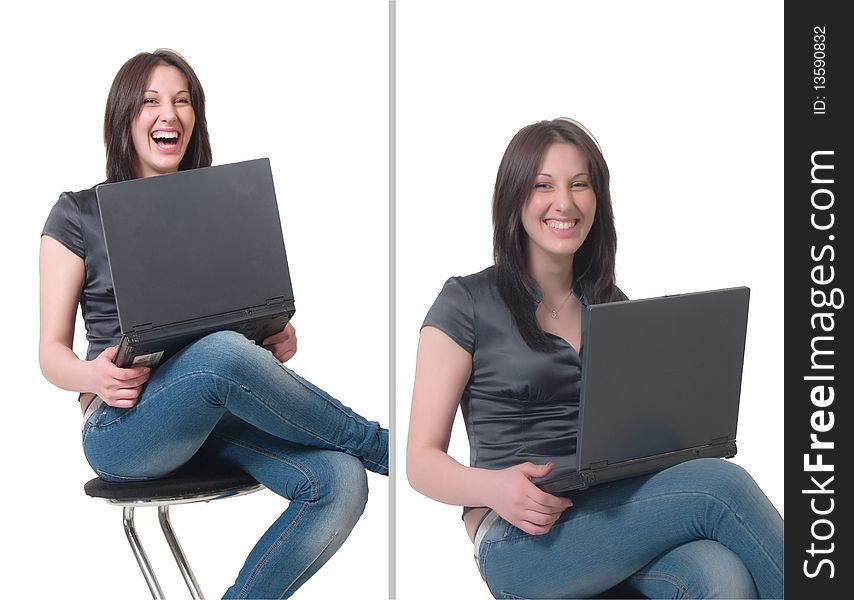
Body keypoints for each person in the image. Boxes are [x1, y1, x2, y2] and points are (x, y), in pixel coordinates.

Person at [39, 49, 388, 599]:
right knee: (223, 353)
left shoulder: (217, 211)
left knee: (341, 482)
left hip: (217, 412)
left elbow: (234, 332)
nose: (169, 115)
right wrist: (95, 378)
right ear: (125, 116)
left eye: (182, 101)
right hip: (125, 427)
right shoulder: (78, 214)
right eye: (151, 101)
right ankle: (379, 444)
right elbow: (49, 355)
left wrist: (270, 340)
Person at [406, 118, 783, 599]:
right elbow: (420, 461)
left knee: (718, 575)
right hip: (519, 536)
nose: (564, 202)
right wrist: (493, 488)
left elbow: (634, 432)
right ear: (514, 196)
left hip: (615, 516)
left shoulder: (609, 303)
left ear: (596, 198)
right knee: (719, 488)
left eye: (579, 185)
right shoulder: (465, 301)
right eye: (544, 185)